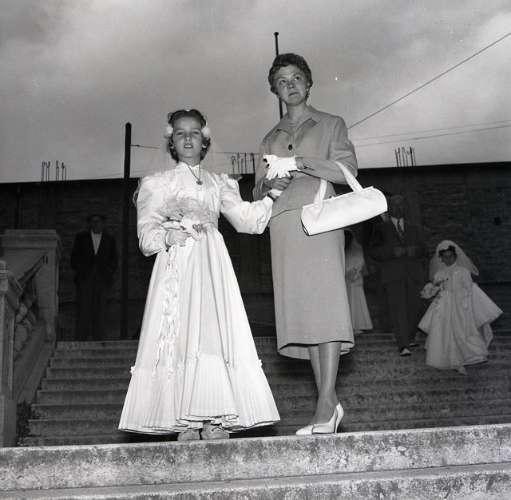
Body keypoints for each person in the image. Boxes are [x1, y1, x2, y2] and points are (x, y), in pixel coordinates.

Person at [119, 109, 281, 441]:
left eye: (194, 132)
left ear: (205, 141)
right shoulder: (158, 183)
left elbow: (246, 220)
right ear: (172, 142)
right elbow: (146, 235)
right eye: (180, 133)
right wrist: (167, 235)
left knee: (212, 333)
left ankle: (215, 417)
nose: (188, 138)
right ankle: (184, 419)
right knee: (181, 334)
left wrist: (273, 195)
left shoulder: (218, 182)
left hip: (212, 264)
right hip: (177, 265)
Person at [253, 53, 357, 435]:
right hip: (284, 225)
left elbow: (347, 170)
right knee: (308, 315)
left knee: (325, 308)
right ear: (276, 91)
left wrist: (299, 163)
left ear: (309, 82)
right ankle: (327, 403)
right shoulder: (269, 137)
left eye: (296, 77)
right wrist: (271, 183)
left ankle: (326, 402)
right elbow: (257, 189)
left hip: (320, 219)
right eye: (282, 81)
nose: (291, 85)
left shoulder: (332, 124)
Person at [419, 240, 502, 374]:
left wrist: (464, 302)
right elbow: (437, 288)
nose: (448, 260)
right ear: (441, 258)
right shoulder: (439, 274)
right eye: (445, 257)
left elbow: (469, 289)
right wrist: (432, 292)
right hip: (444, 306)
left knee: (460, 330)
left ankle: (464, 358)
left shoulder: (463, 271)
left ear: (455, 256)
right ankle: (447, 360)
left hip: (460, 305)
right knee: (444, 332)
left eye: (450, 256)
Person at [368, 194, 426, 356]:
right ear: (389, 208)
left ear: (405, 207)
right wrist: (391, 252)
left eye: (401, 204)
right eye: (394, 204)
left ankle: (409, 337)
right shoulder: (381, 228)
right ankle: (403, 344)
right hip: (393, 275)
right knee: (398, 309)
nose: (398, 207)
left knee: (414, 307)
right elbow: (373, 251)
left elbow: (424, 249)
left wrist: (416, 250)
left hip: (413, 274)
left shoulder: (414, 228)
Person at [70, 214, 118, 340]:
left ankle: (99, 339)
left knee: (101, 309)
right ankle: (81, 339)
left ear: (103, 223)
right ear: (90, 224)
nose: (96, 224)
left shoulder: (109, 240)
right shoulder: (81, 238)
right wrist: (82, 270)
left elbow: (114, 260)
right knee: (83, 309)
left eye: (99, 221)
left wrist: (108, 271)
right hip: (85, 279)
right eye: (93, 221)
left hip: (102, 279)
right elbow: (74, 258)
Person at [345, 230, 373, 334]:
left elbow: (360, 262)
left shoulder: (358, 249)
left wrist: (354, 273)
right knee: (349, 302)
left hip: (356, 279)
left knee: (357, 302)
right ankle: (351, 326)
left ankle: (359, 325)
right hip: (347, 280)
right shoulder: (344, 250)